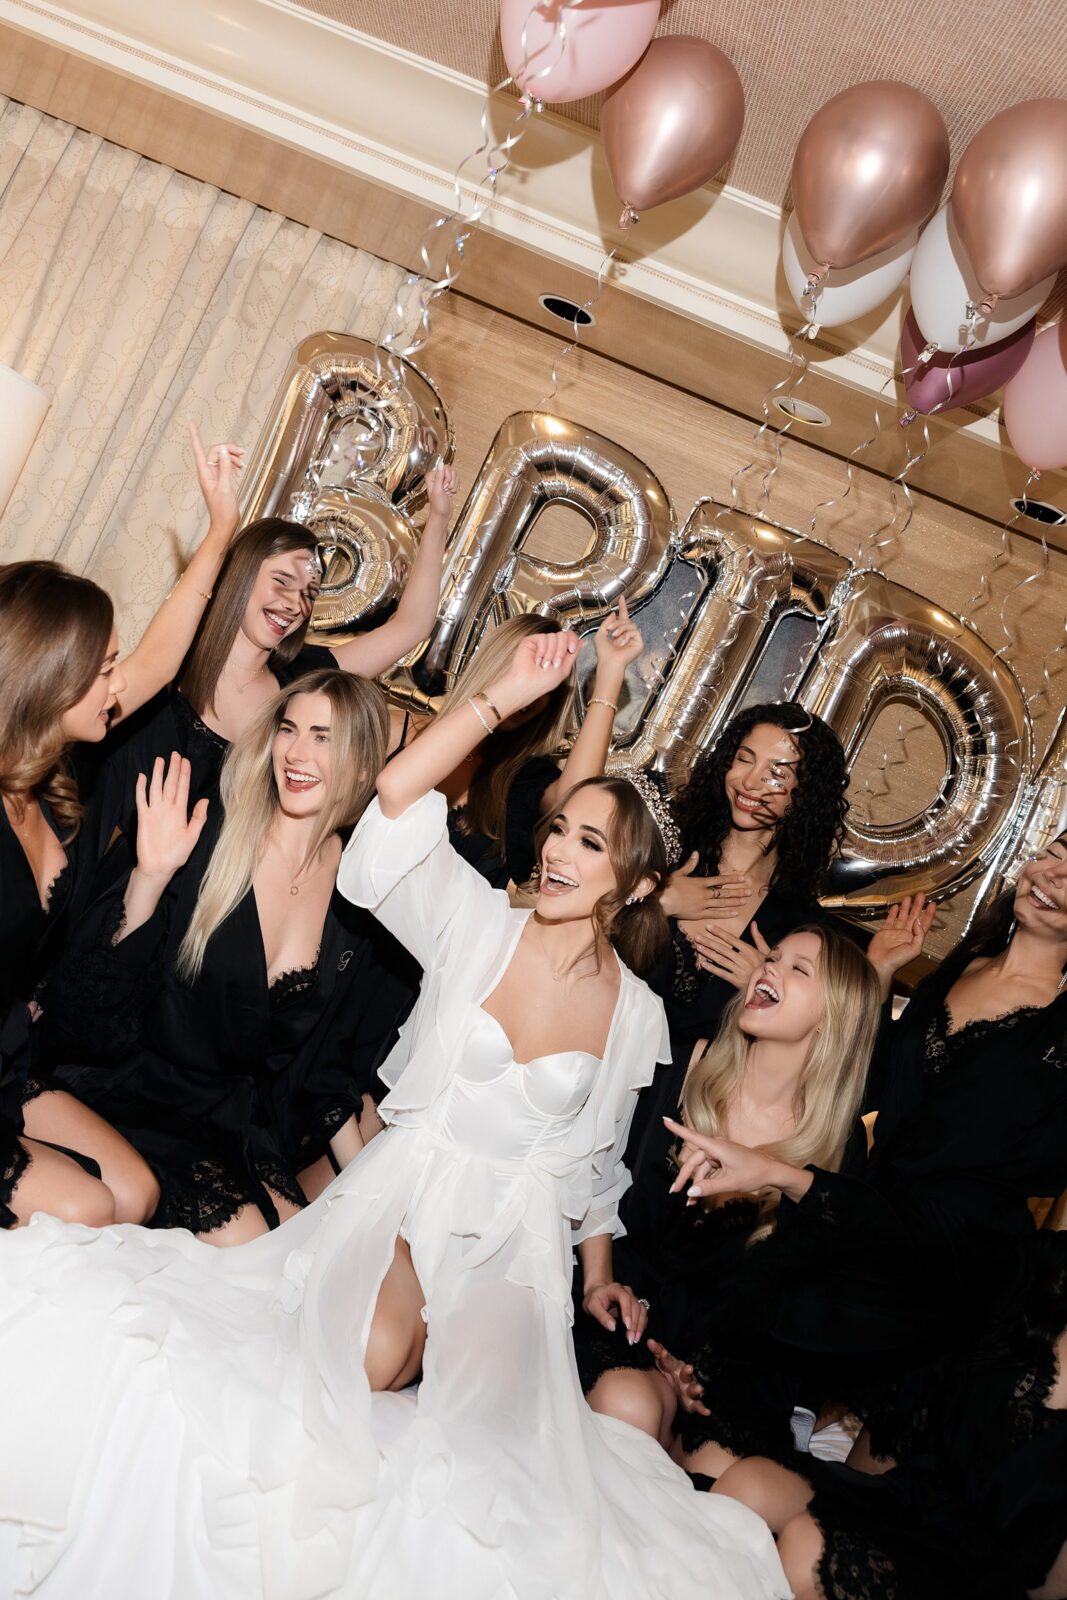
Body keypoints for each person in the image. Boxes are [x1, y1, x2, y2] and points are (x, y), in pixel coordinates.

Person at [0, 631, 789, 1600]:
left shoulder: (637, 1010)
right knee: (367, 1361)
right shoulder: (473, 925)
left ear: (629, 885)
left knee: (491, 1466)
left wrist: (594, 1280)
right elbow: (395, 811)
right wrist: (494, 699)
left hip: (514, 1244)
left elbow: (589, 1168)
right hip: (411, 1194)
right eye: (556, 829)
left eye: (588, 844)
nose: (555, 852)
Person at [662, 835, 1067, 1477]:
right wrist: (876, 972)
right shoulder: (961, 968)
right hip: (862, 1219)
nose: (1057, 873)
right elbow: (867, 1082)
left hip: (955, 1260)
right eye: (1058, 849)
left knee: (868, 1494)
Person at [41, 670, 418, 1242]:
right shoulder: (207, 831)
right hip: (134, 1087)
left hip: (232, 1116)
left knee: (298, 1246)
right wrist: (149, 876)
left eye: (323, 737)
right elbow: (86, 1005)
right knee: (245, 1242)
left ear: (365, 765)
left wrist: (368, 1187)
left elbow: (323, 1068)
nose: (295, 751)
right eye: (289, 729)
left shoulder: (357, 893)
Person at [1, 427, 246, 1228]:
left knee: (136, 1191)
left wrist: (218, 536)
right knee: (84, 1208)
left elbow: (162, 659)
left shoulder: (52, 779)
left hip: (8, 1063)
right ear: (50, 679)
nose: (121, 680)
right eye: (104, 668)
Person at [575, 924, 881, 1452]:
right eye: (773, 956)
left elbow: (817, 1292)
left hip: (728, 1362)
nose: (769, 967)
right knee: (632, 1407)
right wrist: (598, 1282)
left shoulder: (837, 1146)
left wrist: (697, 1369)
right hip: (623, 1313)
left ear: (835, 1016)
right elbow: (591, 1175)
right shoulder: (679, 1065)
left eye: (798, 969)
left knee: (727, 1482)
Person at [83, 461, 460, 857]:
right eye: (282, 581)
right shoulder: (173, 666)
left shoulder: (301, 682)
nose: (295, 602)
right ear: (242, 575)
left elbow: (411, 627)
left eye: (309, 592)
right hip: (107, 880)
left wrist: (438, 518)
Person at [710, 1230, 1067, 1600]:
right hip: (920, 1502)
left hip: (983, 1579)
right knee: (746, 1487)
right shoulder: (1041, 1268)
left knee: (807, 1550)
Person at [623, 702, 851, 1247]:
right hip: (587, 1070)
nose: (752, 782)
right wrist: (660, 901)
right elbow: (577, 926)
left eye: (779, 772)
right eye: (743, 759)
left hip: (670, 1129)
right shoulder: (668, 846)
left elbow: (796, 1054)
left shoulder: (797, 924)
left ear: (807, 793)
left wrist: (760, 989)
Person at [388, 597, 644, 887]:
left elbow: (577, 800)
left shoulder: (521, 778)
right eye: (533, 667)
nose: (536, 691)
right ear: (497, 663)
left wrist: (611, 670)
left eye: (550, 685)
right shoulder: (397, 729)